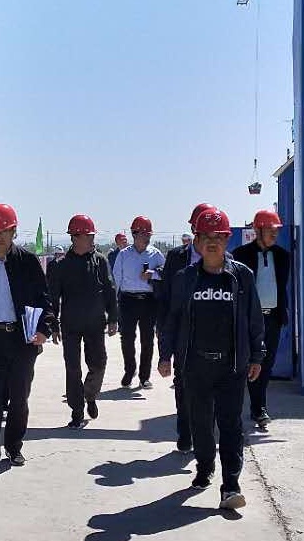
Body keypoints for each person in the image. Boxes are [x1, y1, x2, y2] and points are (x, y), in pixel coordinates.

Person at [158, 208, 264, 510]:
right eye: (206, 236)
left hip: (232, 366)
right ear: (197, 241)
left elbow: (254, 319)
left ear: (227, 239)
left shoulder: (241, 276)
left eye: (219, 236)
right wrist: (165, 355)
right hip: (195, 366)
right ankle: (205, 467)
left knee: (230, 425)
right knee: (201, 424)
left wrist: (257, 355)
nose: (212, 242)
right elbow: (172, 319)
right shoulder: (185, 279)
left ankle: (231, 485)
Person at [0, 203, 56, 482]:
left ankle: (14, 445)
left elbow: (44, 300)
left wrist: (44, 330)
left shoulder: (27, 262)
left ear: (14, 231)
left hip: (21, 340)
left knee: (19, 399)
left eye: (3, 231)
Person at [49, 214, 118, 429]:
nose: (92, 239)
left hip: (95, 324)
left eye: (92, 236)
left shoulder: (100, 261)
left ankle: (90, 394)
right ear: (75, 237)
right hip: (70, 324)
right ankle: (77, 411)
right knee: (73, 369)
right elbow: (52, 297)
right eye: (89, 236)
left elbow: (110, 290)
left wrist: (113, 318)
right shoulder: (60, 265)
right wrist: (53, 325)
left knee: (99, 363)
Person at [158, 202, 217, 453]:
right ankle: (185, 432)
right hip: (184, 333)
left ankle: (205, 438)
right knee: (183, 386)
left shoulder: (226, 260)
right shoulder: (175, 258)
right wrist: (164, 346)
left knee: (211, 389)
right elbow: (166, 299)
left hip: (214, 336)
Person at [232, 209, 289, 428]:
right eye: (270, 230)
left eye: (276, 230)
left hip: (272, 318)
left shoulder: (283, 256)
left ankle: (259, 408)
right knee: (246, 362)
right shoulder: (240, 255)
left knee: (266, 364)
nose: (274, 234)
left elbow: (281, 288)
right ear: (258, 230)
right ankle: (236, 407)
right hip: (248, 320)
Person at [112, 215, 165, 389]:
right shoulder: (123, 255)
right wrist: (114, 303)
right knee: (127, 338)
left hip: (149, 300)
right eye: (143, 234)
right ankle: (129, 370)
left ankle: (144, 377)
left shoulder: (156, 254)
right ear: (134, 234)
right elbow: (116, 279)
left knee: (147, 339)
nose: (147, 237)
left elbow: (166, 274)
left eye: (148, 234)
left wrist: (153, 274)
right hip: (128, 299)